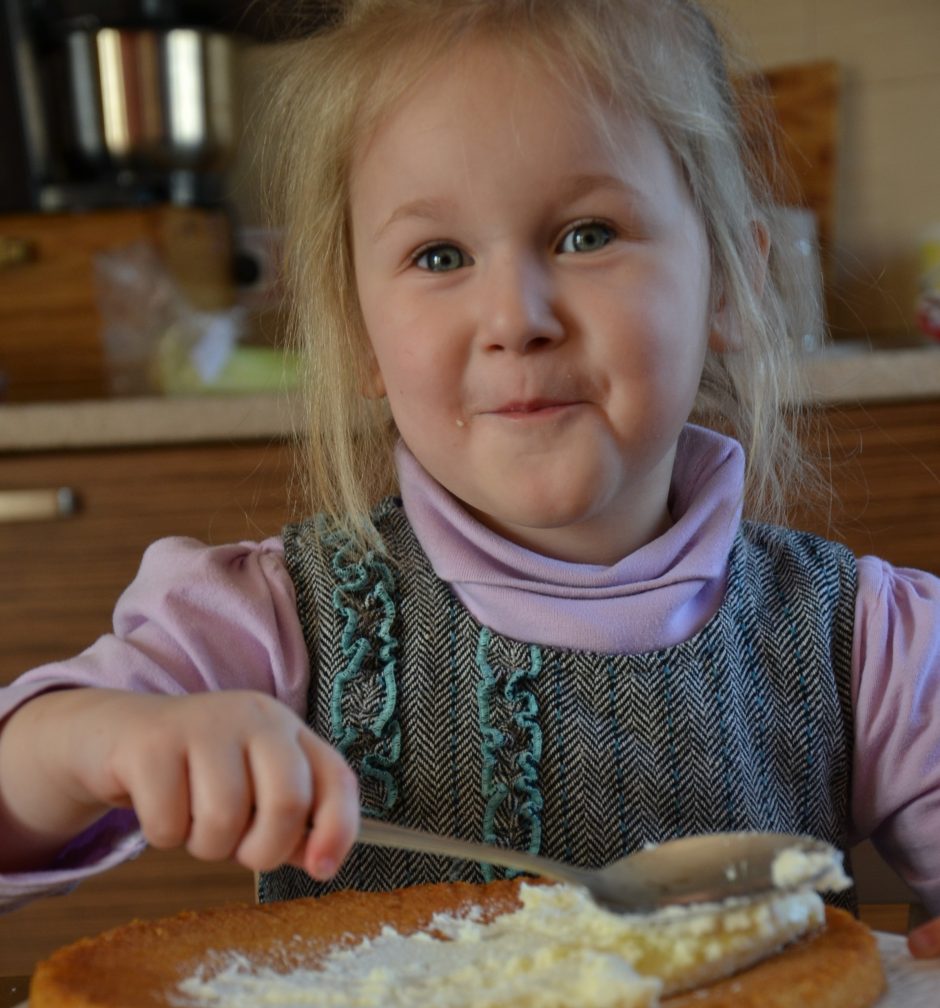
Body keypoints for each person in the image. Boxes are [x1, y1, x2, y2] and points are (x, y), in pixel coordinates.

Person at [1, 0, 938, 957]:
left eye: (586, 234)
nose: (514, 318)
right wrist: (106, 742)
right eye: (438, 255)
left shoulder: (869, 647)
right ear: (361, 331)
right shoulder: (269, 623)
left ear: (732, 282)